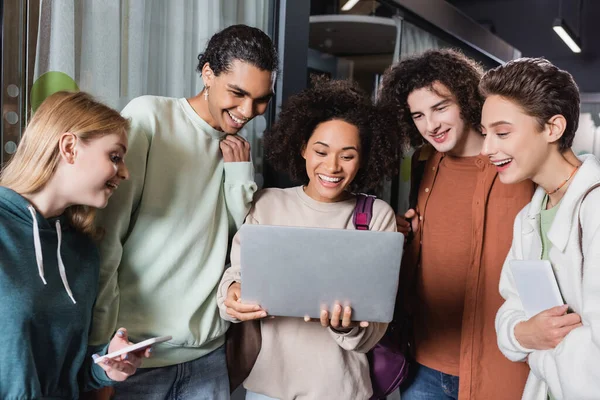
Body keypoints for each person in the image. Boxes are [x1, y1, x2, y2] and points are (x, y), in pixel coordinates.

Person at [89, 24, 278, 399]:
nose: (247, 111)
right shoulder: (150, 118)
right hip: (136, 358)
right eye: (237, 93)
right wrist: (99, 347)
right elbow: (107, 238)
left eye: (260, 100)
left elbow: (238, 244)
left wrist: (240, 174)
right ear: (208, 73)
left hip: (207, 358)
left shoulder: (236, 147)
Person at [216, 78, 403, 400]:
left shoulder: (376, 216)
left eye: (347, 156)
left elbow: (373, 329)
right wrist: (232, 296)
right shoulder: (268, 203)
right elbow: (236, 277)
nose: (332, 166)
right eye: (321, 151)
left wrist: (345, 325)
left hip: (342, 390)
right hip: (267, 389)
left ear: (363, 159)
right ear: (302, 148)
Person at [378, 49, 534, 399]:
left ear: (465, 99)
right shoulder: (426, 163)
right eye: (418, 115)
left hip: (500, 365)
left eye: (440, 107)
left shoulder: (517, 167)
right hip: (425, 363)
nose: (431, 125)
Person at [0, 91, 147, 399]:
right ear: (69, 147)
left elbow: (72, 375)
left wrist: (106, 366)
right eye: (115, 156)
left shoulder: (82, 251)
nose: (125, 173)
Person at [481, 58, 600, 399]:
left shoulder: (595, 210)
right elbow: (511, 310)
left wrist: (539, 352)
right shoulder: (529, 217)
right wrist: (523, 335)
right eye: (485, 133)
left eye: (502, 133)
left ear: (552, 128)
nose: (488, 148)